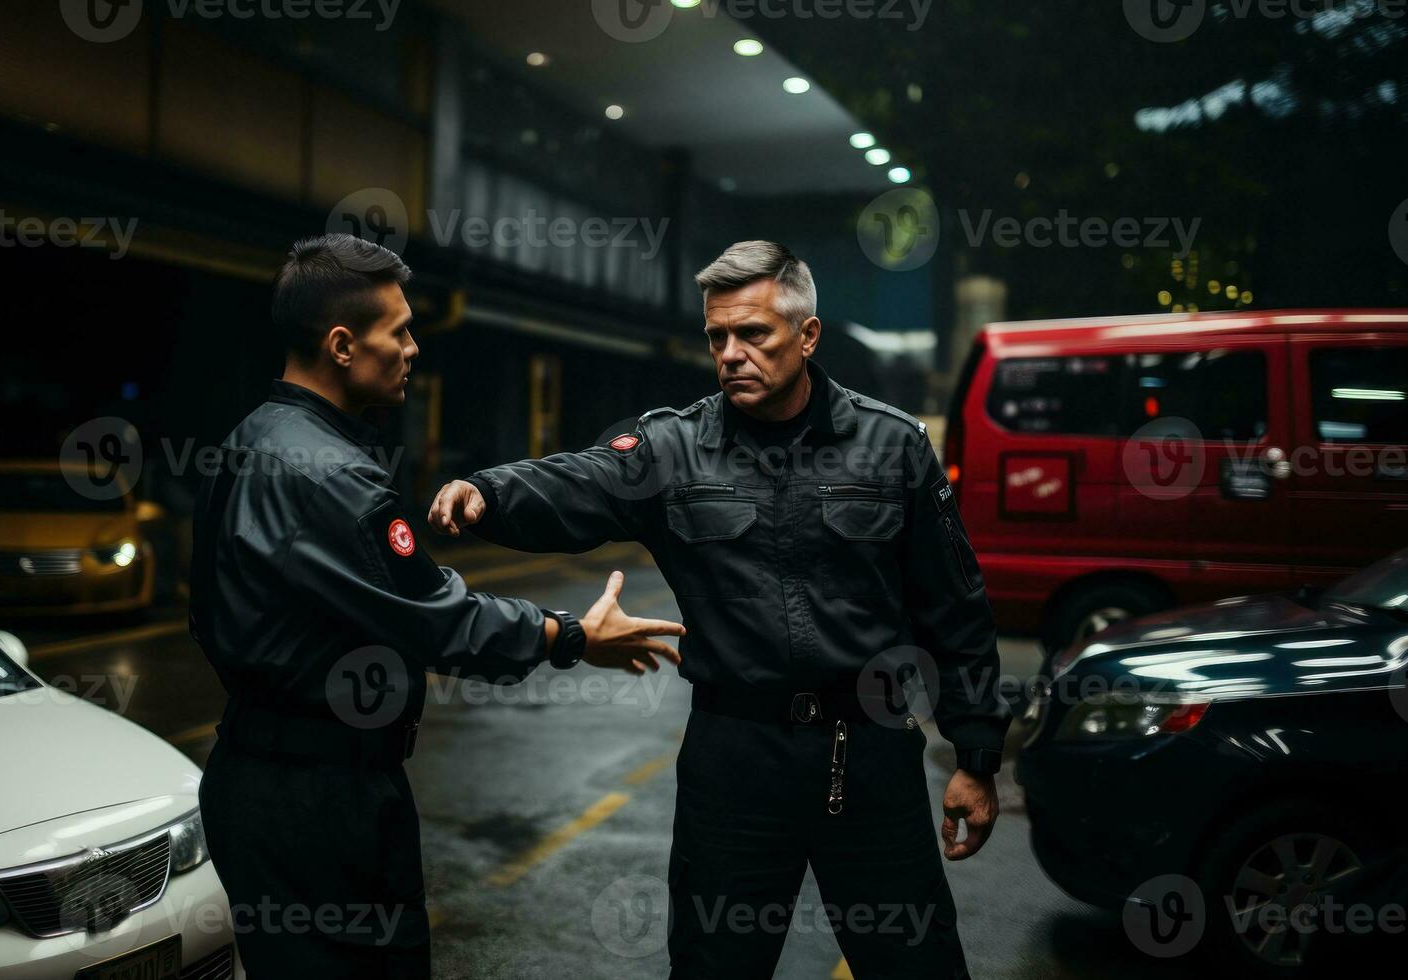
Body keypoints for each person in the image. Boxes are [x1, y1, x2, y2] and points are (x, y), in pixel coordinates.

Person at [429, 241, 1006, 979]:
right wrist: (490, 492)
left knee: (915, 963)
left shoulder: (890, 447)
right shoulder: (672, 447)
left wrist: (977, 755)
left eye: (753, 335)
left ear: (807, 336)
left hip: (867, 753)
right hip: (734, 761)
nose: (731, 354)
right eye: (716, 338)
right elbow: (580, 481)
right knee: (714, 965)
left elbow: (954, 605)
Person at [191, 233, 685, 978]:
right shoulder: (334, 477)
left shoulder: (250, 439)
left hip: (254, 779)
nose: (414, 348)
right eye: (399, 331)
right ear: (341, 345)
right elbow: (439, 621)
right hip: (323, 798)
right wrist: (572, 636)